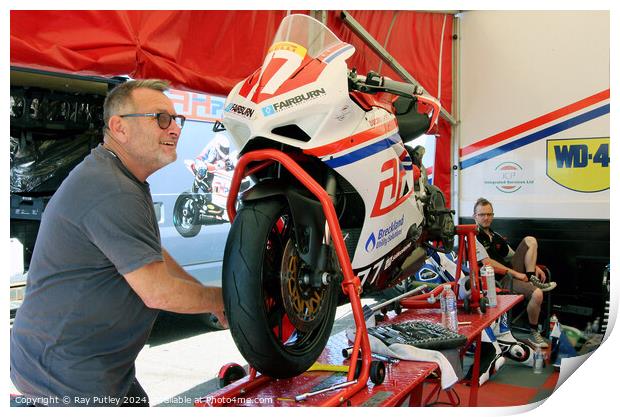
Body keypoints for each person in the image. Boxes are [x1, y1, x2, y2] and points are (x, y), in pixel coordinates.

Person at [10, 79, 227, 407]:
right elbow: (156, 291)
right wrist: (226, 300)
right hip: (64, 375)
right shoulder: (112, 188)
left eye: (176, 120)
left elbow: (152, 254)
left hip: (92, 364)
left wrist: (211, 300)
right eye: (161, 119)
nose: (175, 130)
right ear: (119, 127)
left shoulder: (122, 177)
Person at [473, 198, 556, 348]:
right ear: (475, 216)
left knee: (530, 240)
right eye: (482, 214)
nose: (486, 217)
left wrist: (534, 266)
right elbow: (487, 263)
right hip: (496, 280)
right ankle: (533, 332)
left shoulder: (495, 235)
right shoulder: (474, 237)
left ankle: (532, 277)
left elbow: (512, 256)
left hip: (511, 273)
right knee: (537, 294)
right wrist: (517, 274)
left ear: (493, 215)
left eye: (489, 214)